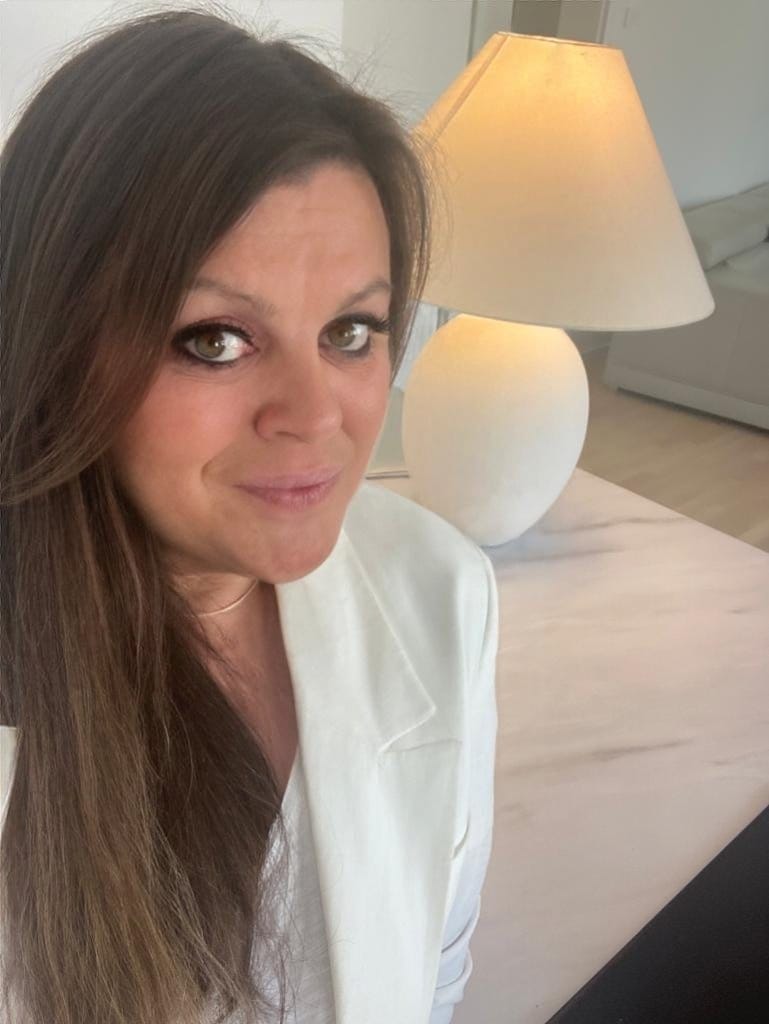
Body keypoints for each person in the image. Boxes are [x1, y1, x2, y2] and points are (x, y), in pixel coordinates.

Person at [0, 8, 499, 1024]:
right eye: (216, 340)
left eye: (350, 330)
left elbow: (437, 968)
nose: (314, 416)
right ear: (53, 346)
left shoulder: (441, 590)